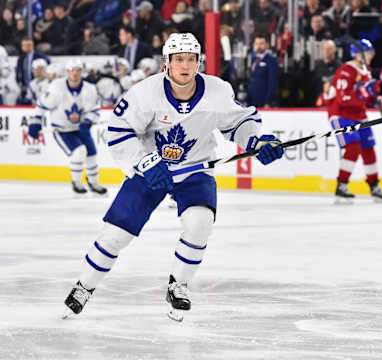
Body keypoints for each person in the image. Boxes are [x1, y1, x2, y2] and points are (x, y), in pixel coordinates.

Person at [62, 32, 284, 322]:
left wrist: (255, 141)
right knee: (116, 235)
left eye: (191, 59)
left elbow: (240, 121)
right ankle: (84, 286)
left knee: (199, 223)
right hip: (151, 170)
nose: (185, 66)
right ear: (166, 63)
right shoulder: (145, 94)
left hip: (194, 169)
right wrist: (145, 161)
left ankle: (178, 285)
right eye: (179, 59)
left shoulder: (216, 91)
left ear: (198, 62)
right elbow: (118, 131)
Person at [28, 59, 108, 196]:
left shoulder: (90, 89)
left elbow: (94, 110)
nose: (75, 74)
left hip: (81, 128)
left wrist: (88, 121)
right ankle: (76, 183)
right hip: (62, 130)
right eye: (72, 70)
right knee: (79, 152)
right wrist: (35, 121)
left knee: (92, 154)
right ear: (67, 72)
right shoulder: (56, 87)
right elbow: (42, 104)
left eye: (78, 70)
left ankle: (93, 182)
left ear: (82, 72)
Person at [327, 39, 382, 203]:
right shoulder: (346, 71)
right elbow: (343, 98)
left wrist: (379, 100)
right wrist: (362, 95)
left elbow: (370, 95)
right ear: (357, 54)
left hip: (359, 115)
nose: (371, 56)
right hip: (341, 115)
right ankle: (341, 184)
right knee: (353, 148)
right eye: (368, 53)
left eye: (371, 53)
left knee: (368, 149)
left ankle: (374, 185)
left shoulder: (365, 71)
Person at [246, 33, 279, 108]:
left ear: (267, 45)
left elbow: (272, 83)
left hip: (264, 102)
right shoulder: (252, 58)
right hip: (252, 102)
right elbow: (251, 80)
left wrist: (268, 102)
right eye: (257, 44)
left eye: (261, 44)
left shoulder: (271, 60)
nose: (258, 46)